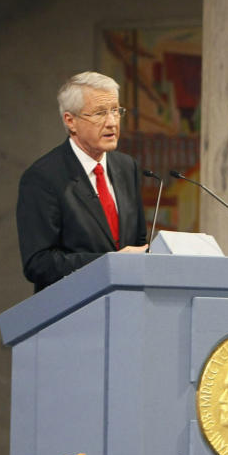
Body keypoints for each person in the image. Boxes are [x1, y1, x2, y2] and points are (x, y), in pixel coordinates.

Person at [17, 72, 148, 292]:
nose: (111, 122)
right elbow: (39, 263)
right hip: (71, 311)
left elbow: (138, 243)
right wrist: (109, 262)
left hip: (126, 308)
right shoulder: (43, 177)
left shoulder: (127, 167)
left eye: (115, 111)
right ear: (71, 121)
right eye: (99, 113)